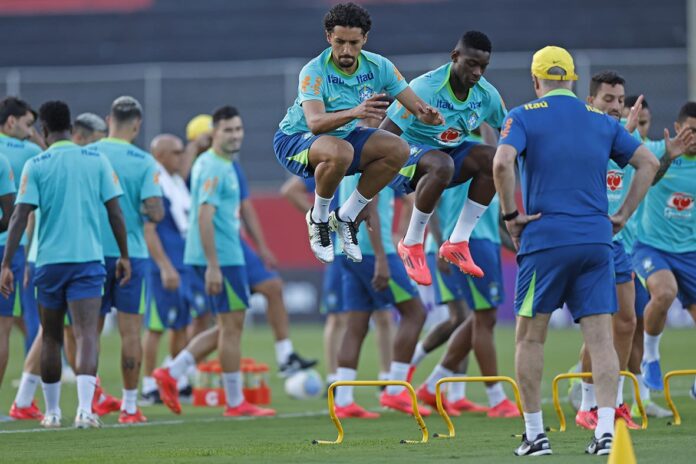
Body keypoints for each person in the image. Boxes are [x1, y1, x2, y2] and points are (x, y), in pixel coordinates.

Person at [494, 46, 658, 456]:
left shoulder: (522, 115)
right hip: (595, 240)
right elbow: (648, 164)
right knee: (601, 339)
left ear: (536, 81)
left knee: (530, 339)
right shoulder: (601, 122)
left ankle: (535, 436)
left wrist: (511, 215)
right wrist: (620, 215)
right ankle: (605, 431)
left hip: (544, 239)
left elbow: (501, 164)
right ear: (572, 81)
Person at [273, 2, 443, 265]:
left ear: (365, 38)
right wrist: (356, 112)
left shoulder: (380, 67)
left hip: (341, 139)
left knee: (398, 149)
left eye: (354, 42)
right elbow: (315, 123)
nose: (346, 50)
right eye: (339, 41)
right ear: (328, 37)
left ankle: (346, 217)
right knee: (341, 151)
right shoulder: (314, 71)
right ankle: (318, 218)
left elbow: (417, 107)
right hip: (295, 141)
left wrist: (428, 115)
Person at [0, 100, 131, 429]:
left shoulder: (37, 163)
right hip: (87, 259)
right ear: (71, 128)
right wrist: (125, 254)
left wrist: (6, 262)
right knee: (87, 334)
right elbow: (115, 212)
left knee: (52, 338)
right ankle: (86, 411)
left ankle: (52, 412)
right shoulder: (95, 159)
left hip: (49, 262)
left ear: (43, 130)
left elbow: (19, 216)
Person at [572, 72, 691, 430]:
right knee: (598, 326)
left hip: (620, 245)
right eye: (607, 99)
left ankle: (617, 400)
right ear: (591, 101)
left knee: (626, 322)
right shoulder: (583, 133)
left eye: (619, 100)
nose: (615, 106)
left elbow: (651, 169)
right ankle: (587, 402)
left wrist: (667, 156)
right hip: (589, 240)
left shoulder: (630, 144)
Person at [153, 106, 275, 417]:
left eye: (238, 129)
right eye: (228, 130)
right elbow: (203, 217)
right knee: (232, 328)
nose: (235, 135)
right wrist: (213, 265)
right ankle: (235, 403)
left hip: (224, 255)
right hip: (220, 257)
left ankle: (171, 372)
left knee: (225, 326)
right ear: (214, 134)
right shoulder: (213, 167)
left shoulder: (222, 164)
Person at [380, 31, 506, 285]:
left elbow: (511, 129)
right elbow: (383, 137)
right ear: (455, 57)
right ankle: (411, 243)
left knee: (492, 158)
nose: (478, 72)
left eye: (483, 66)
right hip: (406, 160)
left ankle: (458, 242)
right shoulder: (424, 88)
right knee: (441, 163)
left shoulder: (486, 95)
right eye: (472, 64)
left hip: (443, 161)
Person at [415, 182, 519, 418]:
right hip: (469, 244)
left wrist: (518, 246)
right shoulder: (473, 158)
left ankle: (435, 385)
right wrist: (441, 241)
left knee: (477, 318)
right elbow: (430, 202)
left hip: (484, 243)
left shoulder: (490, 171)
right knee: (478, 318)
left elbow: (497, 223)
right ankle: (496, 398)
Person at [91, 96, 164, 423]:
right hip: (131, 254)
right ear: (137, 124)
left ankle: (88, 399)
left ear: (109, 119)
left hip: (91, 253)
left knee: (87, 332)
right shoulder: (144, 161)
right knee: (131, 331)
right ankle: (131, 407)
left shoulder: (91, 153)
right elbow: (155, 212)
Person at [333, 175, 430, 418]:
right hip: (371, 252)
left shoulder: (356, 156)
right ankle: (396, 390)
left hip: (345, 250)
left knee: (357, 324)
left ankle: (343, 401)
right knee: (415, 313)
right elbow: (370, 207)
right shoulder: (374, 159)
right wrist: (382, 260)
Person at [636, 102, 696, 395]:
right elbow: (646, 181)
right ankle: (651, 357)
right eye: (691, 131)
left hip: (691, 250)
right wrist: (669, 158)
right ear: (677, 128)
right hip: (652, 245)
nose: (695, 138)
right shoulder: (659, 149)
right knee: (665, 292)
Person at [140, 134, 194, 404]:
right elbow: (149, 230)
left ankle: (173, 378)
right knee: (156, 326)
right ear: (160, 155)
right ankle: (149, 384)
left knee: (181, 325)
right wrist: (164, 266)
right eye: (176, 152)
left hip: (182, 263)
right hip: (166, 265)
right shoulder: (156, 185)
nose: (181, 157)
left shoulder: (174, 182)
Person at [0, 97, 42, 358]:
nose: (30, 132)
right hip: (13, 244)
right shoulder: (30, 152)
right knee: (8, 323)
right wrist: (38, 140)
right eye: (28, 125)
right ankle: (35, 368)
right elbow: (56, 156)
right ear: (12, 121)